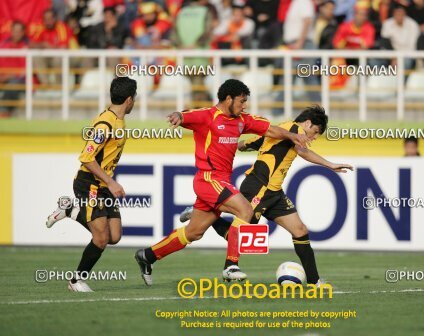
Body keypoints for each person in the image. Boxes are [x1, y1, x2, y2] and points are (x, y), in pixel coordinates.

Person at [134, 79, 311, 285]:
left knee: (193, 233)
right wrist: (178, 116)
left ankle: (147, 256)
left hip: (220, 182)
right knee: (245, 210)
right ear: (229, 99)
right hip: (208, 178)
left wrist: (291, 135)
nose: (244, 105)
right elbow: (185, 115)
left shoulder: (241, 120)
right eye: (242, 101)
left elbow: (270, 130)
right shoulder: (207, 116)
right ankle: (231, 266)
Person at [180, 105, 353, 286]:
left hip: (274, 192)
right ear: (308, 123)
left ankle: (314, 281)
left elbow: (248, 143)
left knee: (300, 230)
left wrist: (234, 145)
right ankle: (207, 217)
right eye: (316, 132)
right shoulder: (294, 129)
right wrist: (330, 165)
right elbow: (303, 151)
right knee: (241, 236)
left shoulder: (279, 130)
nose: (315, 137)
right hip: (259, 188)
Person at [45, 77, 137, 292]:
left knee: (114, 236)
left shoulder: (117, 119)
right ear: (130, 100)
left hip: (102, 185)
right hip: (90, 184)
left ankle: (70, 211)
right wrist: (110, 181)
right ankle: (76, 281)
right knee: (101, 238)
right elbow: (86, 157)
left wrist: (108, 182)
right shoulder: (105, 123)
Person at [0, 21, 28, 118]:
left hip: (19, 80)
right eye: (15, 31)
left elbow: (24, 72)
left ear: (23, 33)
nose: (17, 33)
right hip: (3, 78)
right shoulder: (3, 46)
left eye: (19, 31)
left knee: (13, 84)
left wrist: (8, 76)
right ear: (11, 31)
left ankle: (4, 112)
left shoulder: (26, 47)